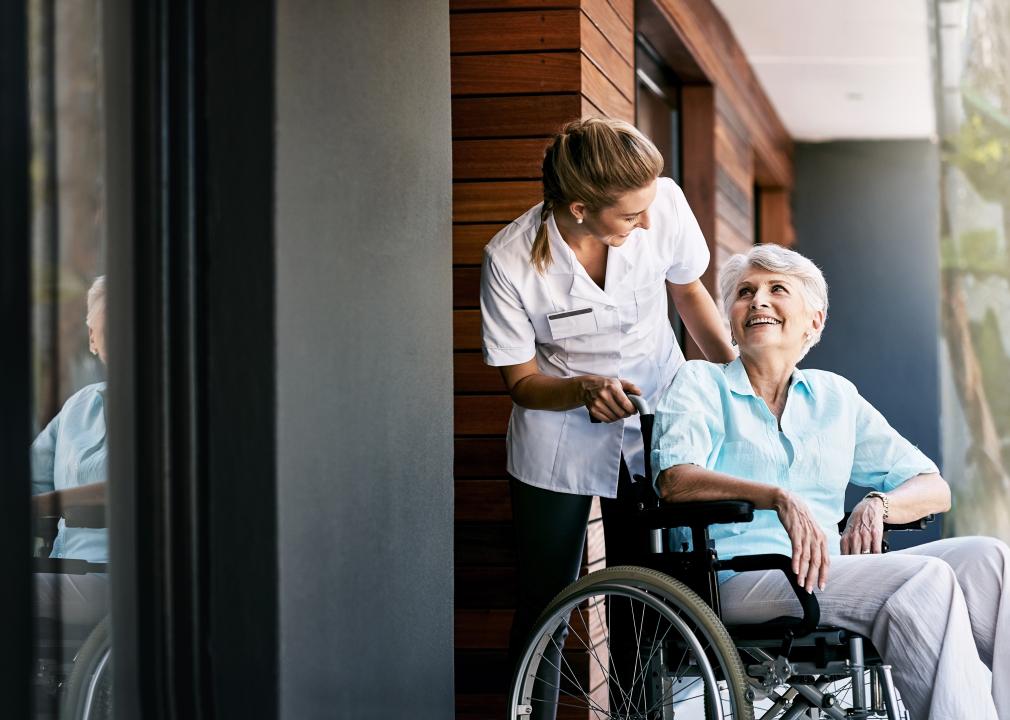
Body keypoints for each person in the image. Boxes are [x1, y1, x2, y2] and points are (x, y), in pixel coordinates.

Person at [651, 244, 1010, 719]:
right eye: (744, 293)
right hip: (735, 577)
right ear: (732, 322)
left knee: (991, 560)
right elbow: (675, 480)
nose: (758, 300)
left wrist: (878, 504)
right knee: (924, 578)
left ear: (813, 322)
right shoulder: (700, 383)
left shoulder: (833, 396)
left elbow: (933, 486)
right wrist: (775, 497)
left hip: (824, 573)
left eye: (777, 289)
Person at [479, 117, 736, 711]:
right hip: (556, 435)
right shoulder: (510, 260)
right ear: (578, 208)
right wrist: (580, 390)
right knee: (545, 599)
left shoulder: (661, 202)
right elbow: (520, 380)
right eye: (629, 216)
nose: (646, 221)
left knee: (647, 593)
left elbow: (689, 291)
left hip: (657, 414)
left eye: (648, 207)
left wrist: (734, 383)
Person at [32, 275, 110, 632]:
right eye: (106, 330)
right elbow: (32, 480)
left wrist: (38, 506)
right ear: (93, 340)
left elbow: (124, 488)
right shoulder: (78, 406)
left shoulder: (167, 405)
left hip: (116, 575)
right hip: (65, 566)